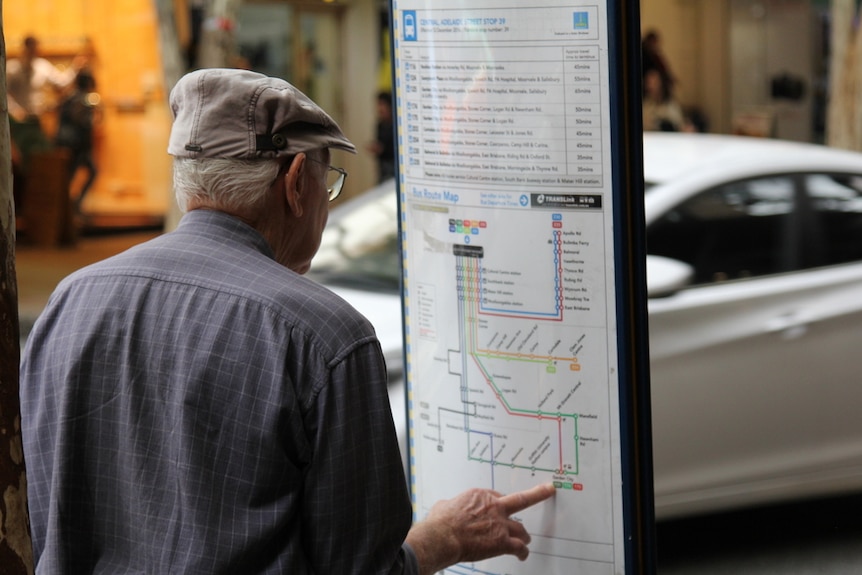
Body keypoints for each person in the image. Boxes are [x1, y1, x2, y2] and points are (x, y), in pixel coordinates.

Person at [20, 68, 555, 574]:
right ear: (296, 182)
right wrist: (444, 537)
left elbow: (42, 515)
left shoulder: (73, 300)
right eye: (330, 183)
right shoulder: (324, 334)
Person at [55, 70, 99, 213]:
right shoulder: (81, 99)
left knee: (70, 176)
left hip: (66, 142)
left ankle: (70, 207)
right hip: (76, 144)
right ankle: (71, 207)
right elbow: (82, 121)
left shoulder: (69, 97)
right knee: (77, 174)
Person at [368, 91, 396, 182]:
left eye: (382, 105)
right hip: (383, 171)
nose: (379, 109)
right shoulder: (380, 125)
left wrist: (383, 149)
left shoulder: (396, 126)